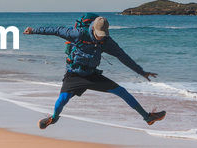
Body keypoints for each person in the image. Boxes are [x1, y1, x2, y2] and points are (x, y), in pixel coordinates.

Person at [23, 14, 166, 130]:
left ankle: (148, 118)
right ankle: (53, 119)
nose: (101, 37)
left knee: (122, 91)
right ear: (92, 30)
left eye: (103, 34)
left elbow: (123, 56)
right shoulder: (78, 34)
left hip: (92, 74)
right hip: (74, 74)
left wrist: (141, 72)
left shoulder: (106, 41)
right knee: (62, 100)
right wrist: (33, 30)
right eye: (99, 34)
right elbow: (56, 30)